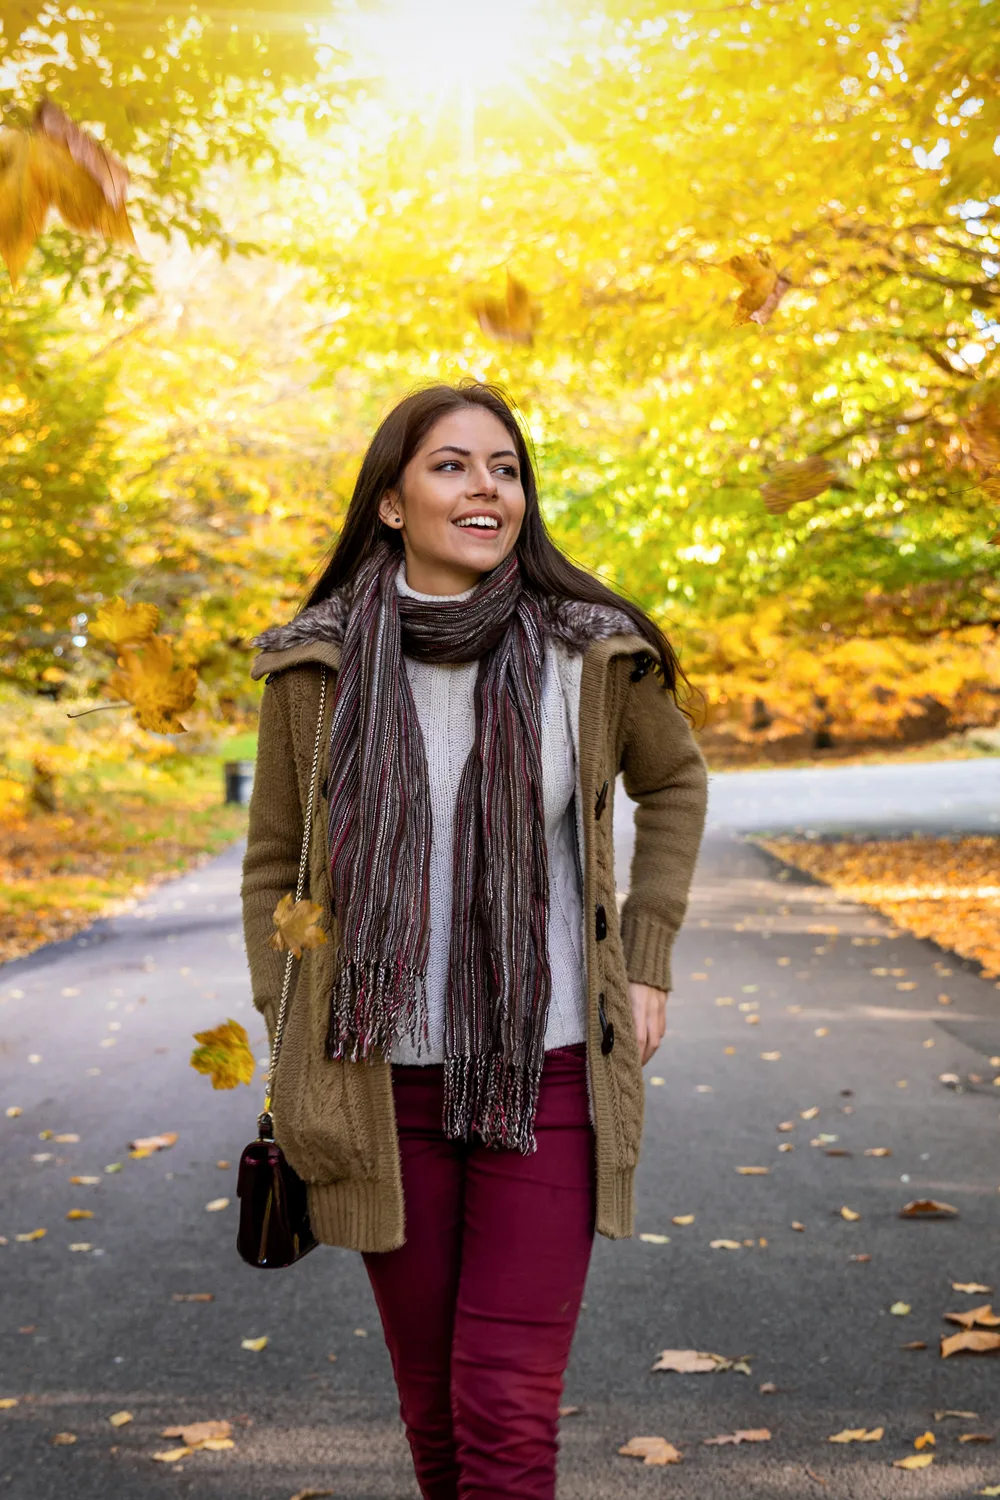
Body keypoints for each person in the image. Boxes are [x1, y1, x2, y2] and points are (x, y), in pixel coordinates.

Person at [241, 380, 708, 1500]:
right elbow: (275, 861)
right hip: (375, 1078)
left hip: (543, 1068)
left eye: (503, 467)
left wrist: (645, 956)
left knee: (502, 1410)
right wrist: (286, 1005)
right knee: (436, 1415)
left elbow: (675, 783)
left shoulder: (588, 653)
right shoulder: (315, 669)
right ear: (393, 502)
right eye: (451, 465)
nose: (485, 486)